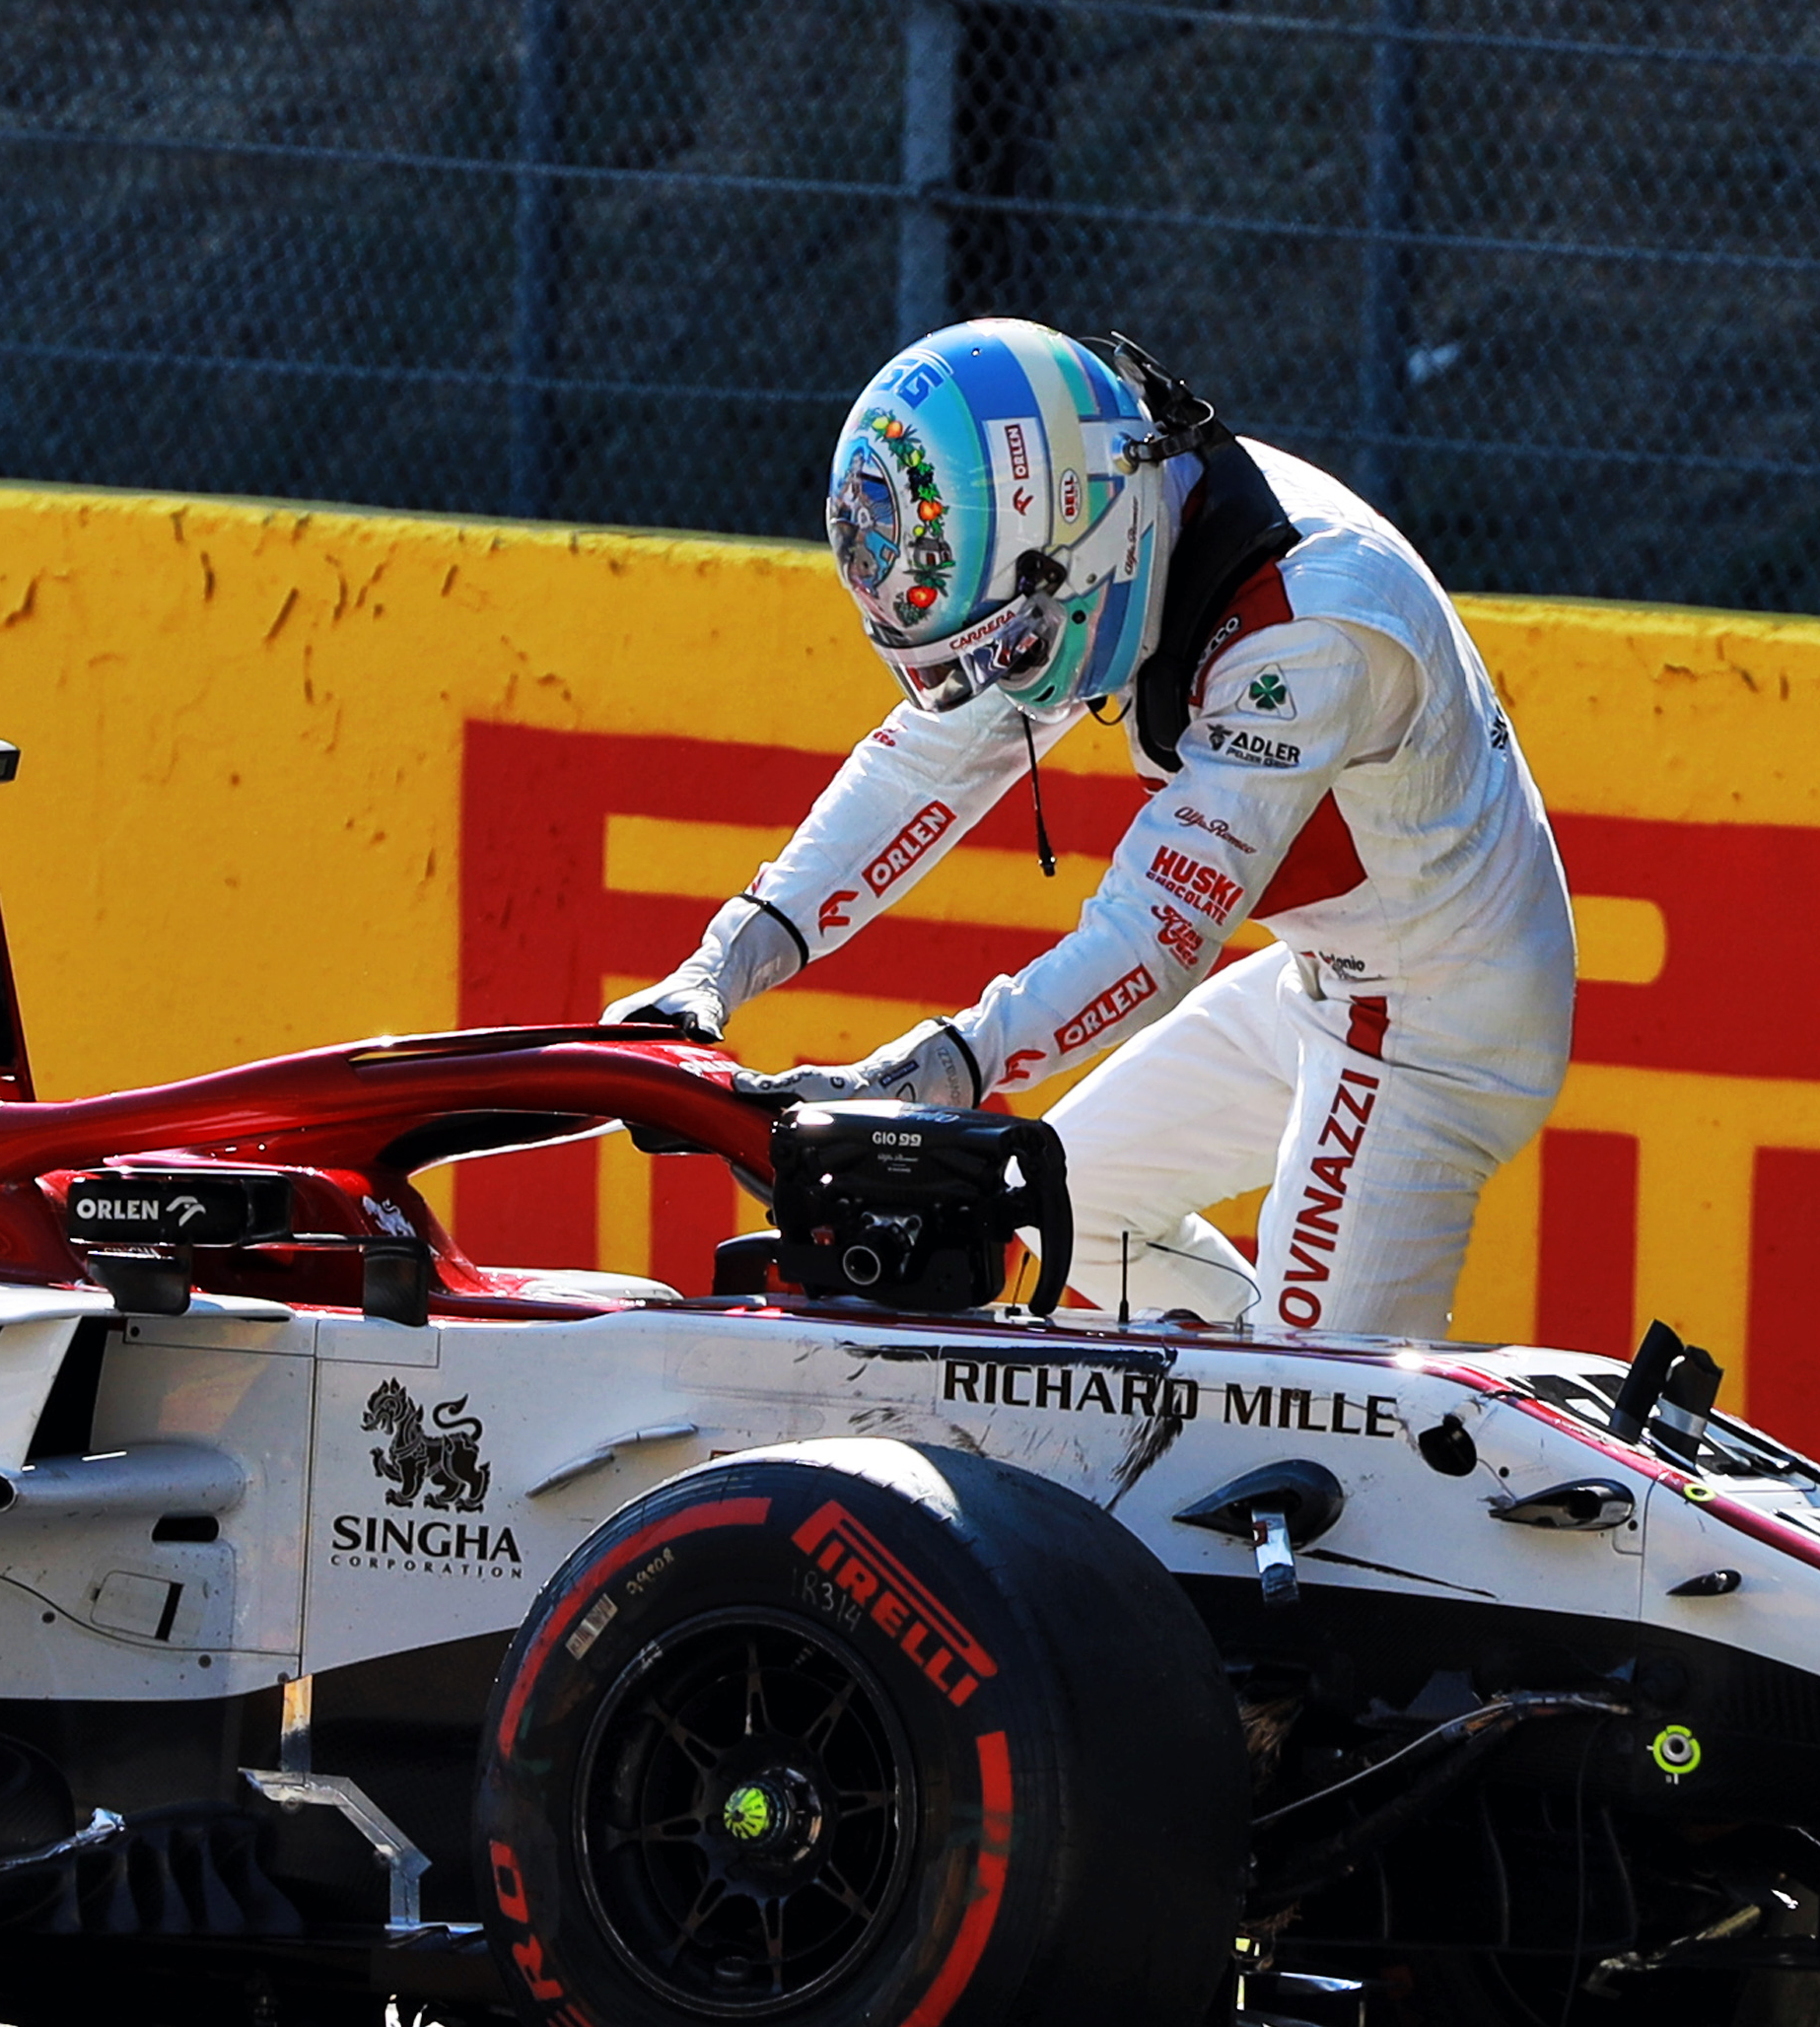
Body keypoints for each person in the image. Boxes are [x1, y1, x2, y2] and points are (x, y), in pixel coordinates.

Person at [611, 318, 1577, 1346]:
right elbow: (928, 761)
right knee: (1069, 1210)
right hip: (1330, 981)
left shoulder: (1303, 629)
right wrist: (717, 969)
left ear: (1079, 543)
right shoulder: (1127, 504)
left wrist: (926, 1076)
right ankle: (1258, 1388)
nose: (1010, 683)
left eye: (1016, 645)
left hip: (1437, 1024)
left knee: (1322, 1410)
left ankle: (1299, 1408)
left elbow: (1153, 941)